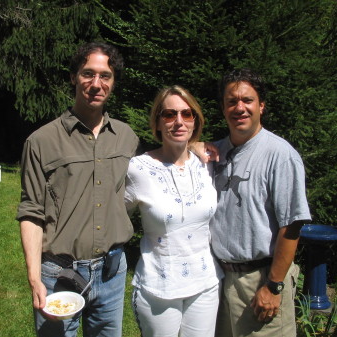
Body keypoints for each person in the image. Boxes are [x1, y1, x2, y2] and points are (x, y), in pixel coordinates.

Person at [17, 42, 139, 337]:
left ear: (113, 82)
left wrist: (196, 145)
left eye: (105, 76)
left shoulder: (126, 137)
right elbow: (31, 212)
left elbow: (163, 163)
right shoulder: (41, 141)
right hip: (59, 275)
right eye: (88, 74)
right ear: (74, 77)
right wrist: (34, 277)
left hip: (112, 271)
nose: (96, 84)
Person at [210, 68, 311, 337]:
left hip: (260, 282)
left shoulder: (280, 155)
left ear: (261, 106)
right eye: (232, 101)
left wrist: (274, 286)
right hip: (219, 280)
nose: (239, 107)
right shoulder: (215, 154)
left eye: (247, 100)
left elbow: (292, 226)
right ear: (223, 108)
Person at [125, 85, 223, 337]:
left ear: (195, 121)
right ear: (157, 122)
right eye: (169, 115)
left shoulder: (206, 162)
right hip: (159, 287)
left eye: (186, 114)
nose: (178, 121)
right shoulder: (139, 169)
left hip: (205, 284)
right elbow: (112, 216)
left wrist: (195, 147)